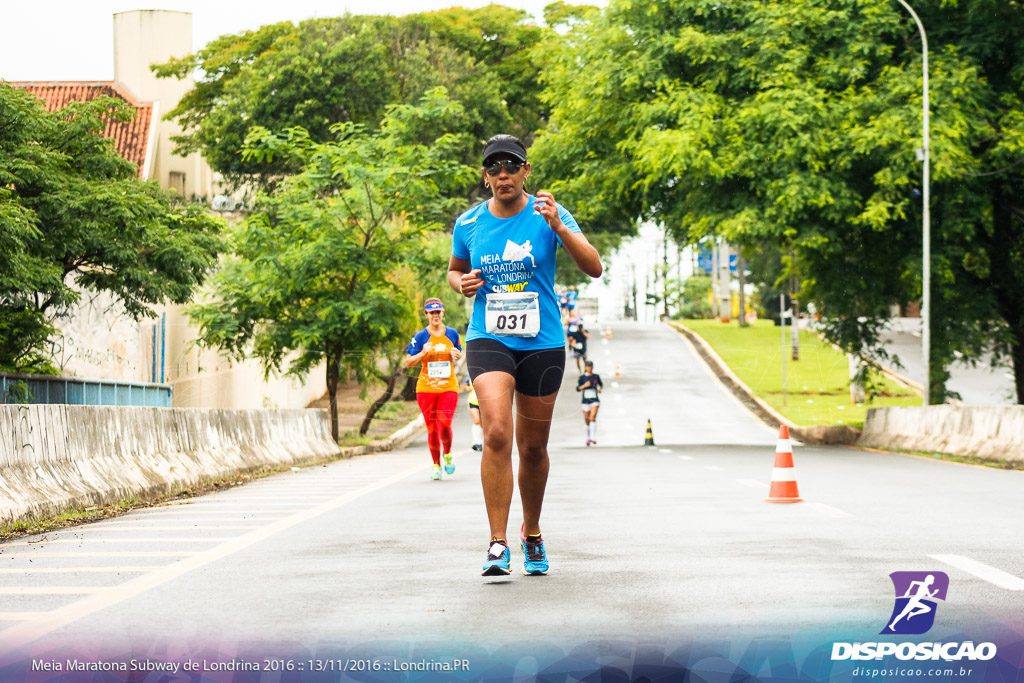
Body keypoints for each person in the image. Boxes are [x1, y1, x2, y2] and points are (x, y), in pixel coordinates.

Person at [448, 133, 602, 576]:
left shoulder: (547, 213)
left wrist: (558, 226)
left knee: (533, 447)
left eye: (511, 166)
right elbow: (455, 271)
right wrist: (462, 285)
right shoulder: (469, 223)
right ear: (484, 176)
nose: (503, 174)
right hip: (488, 337)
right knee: (496, 429)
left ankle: (531, 532)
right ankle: (497, 544)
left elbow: (593, 266)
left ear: (525, 171)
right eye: (494, 167)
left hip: (543, 343)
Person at [405, 298, 462, 480]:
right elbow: (408, 363)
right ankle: (436, 464)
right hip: (426, 388)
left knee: (444, 424)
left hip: (448, 387)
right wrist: (423, 353)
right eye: (432, 313)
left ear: (442, 313)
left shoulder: (452, 334)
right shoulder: (421, 337)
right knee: (431, 429)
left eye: (438, 312)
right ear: (426, 314)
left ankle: (448, 453)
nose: (435, 316)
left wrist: (457, 354)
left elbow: (458, 354)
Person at [576, 360, 603, 446]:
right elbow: (577, 388)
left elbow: (601, 385)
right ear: (585, 368)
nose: (589, 368)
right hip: (585, 401)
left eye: (590, 366)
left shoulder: (596, 377)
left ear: (592, 367)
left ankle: (593, 437)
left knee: (592, 418)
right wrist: (584, 386)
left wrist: (599, 389)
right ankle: (588, 438)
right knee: (587, 420)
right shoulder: (582, 377)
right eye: (587, 366)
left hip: (594, 400)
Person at [464, 377, 483, 451]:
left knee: (483, 424)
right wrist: (468, 388)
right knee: (476, 421)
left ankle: (482, 441)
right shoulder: (470, 376)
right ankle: (477, 442)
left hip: (484, 403)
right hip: (473, 402)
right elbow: (467, 385)